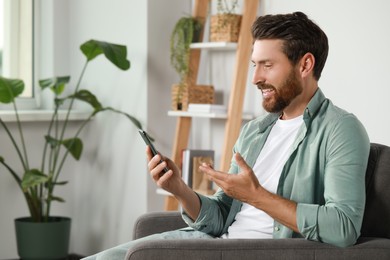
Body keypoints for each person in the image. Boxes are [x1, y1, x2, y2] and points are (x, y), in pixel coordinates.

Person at [83, 11, 370, 260]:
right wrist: (179, 189)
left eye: (267, 65)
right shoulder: (255, 131)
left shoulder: (340, 129)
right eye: (254, 65)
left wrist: (256, 196)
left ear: (305, 65)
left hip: (252, 252)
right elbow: (221, 215)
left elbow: (343, 226)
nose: (256, 78)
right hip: (213, 244)